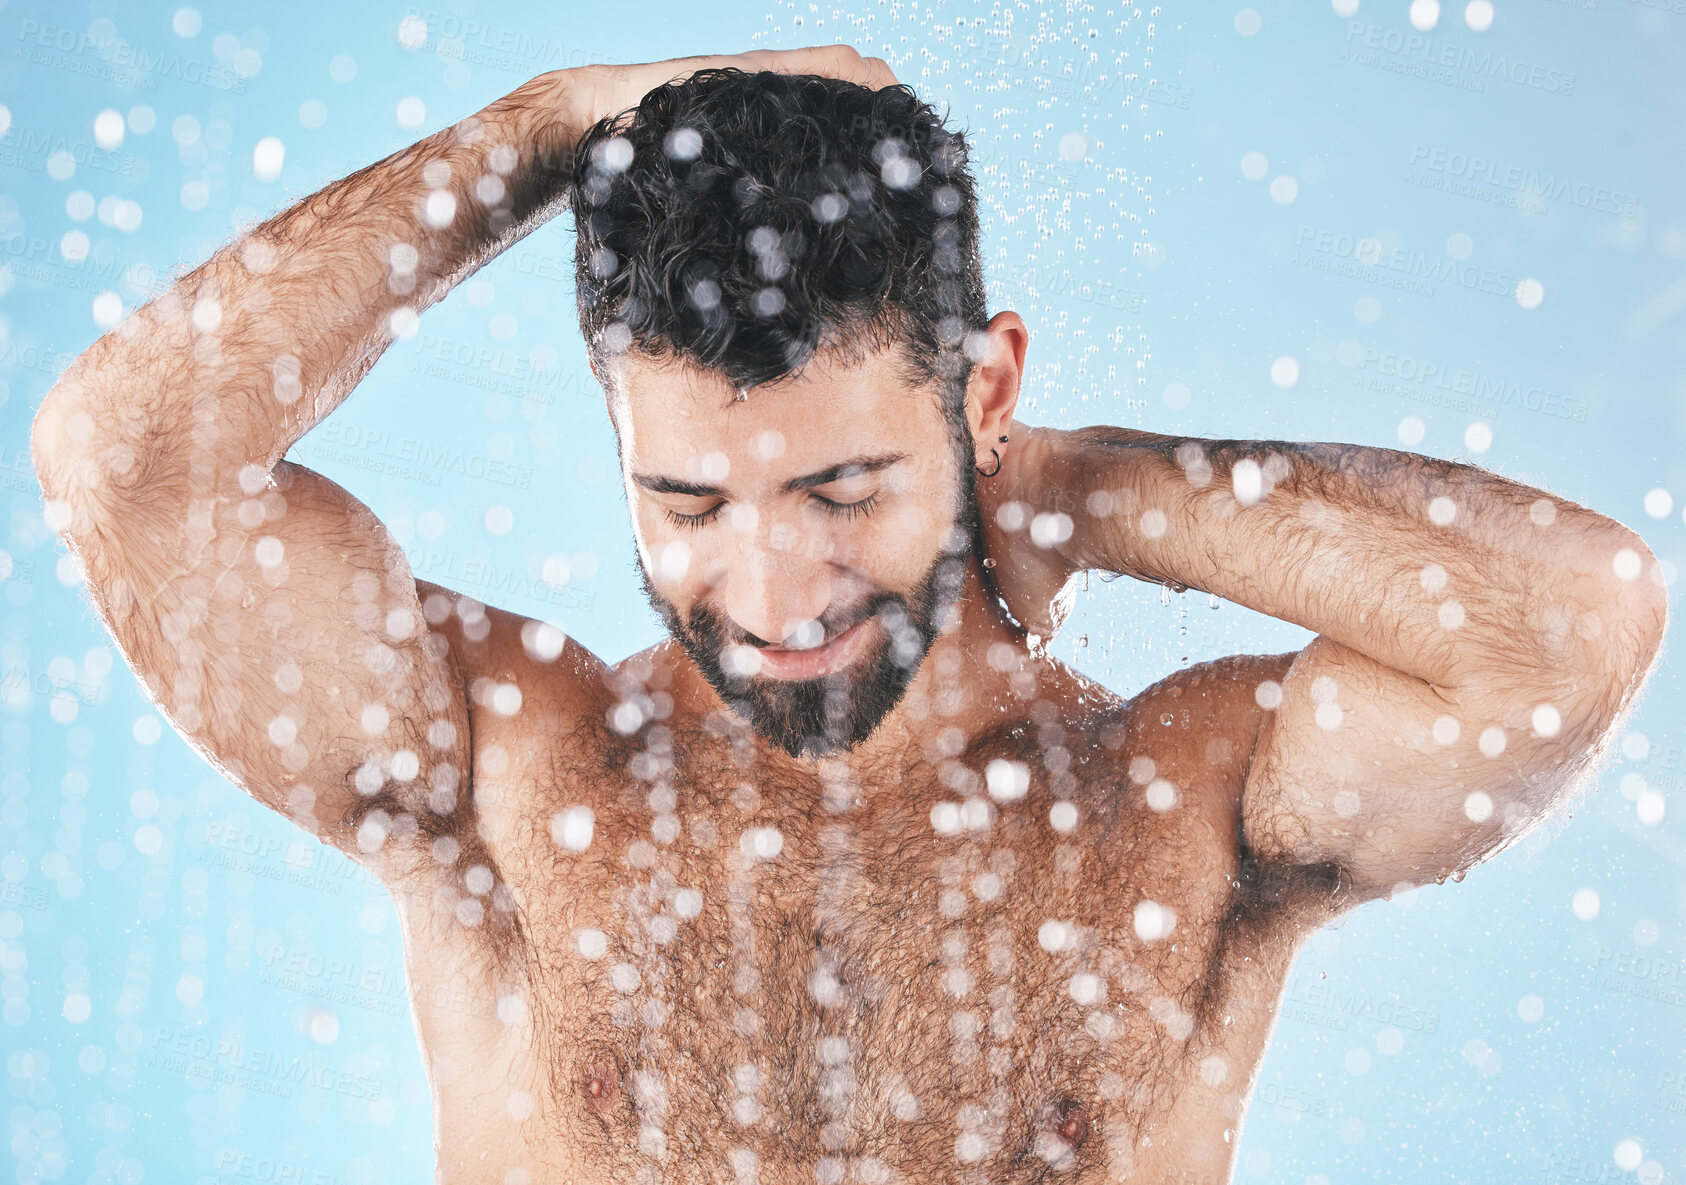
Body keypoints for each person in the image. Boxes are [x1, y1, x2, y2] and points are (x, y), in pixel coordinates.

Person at [29, 45, 1666, 1184]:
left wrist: (1082, 487)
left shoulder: (1177, 798)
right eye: (686, 506)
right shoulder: (514, 763)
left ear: (984, 390)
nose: (769, 599)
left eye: (839, 493)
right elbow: (125, 460)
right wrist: (545, 126)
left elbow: (1570, 626)